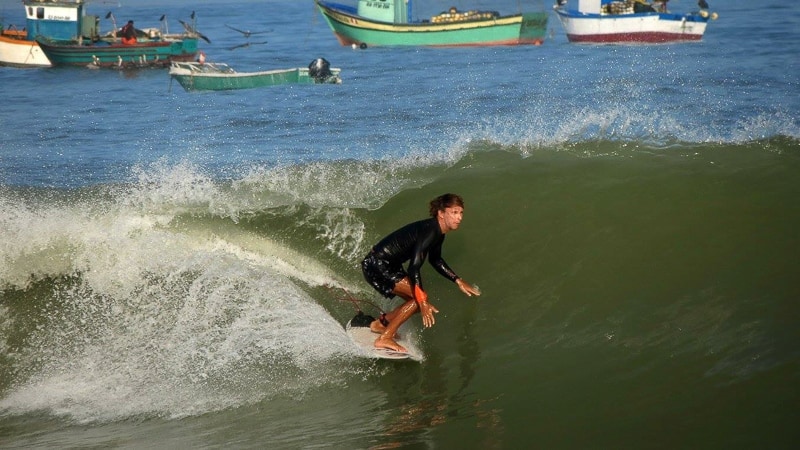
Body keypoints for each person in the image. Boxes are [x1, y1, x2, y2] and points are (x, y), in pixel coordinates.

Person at [361, 193, 481, 352]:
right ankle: (385, 338)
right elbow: (414, 267)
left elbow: (435, 260)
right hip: (378, 264)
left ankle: (380, 324)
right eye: (454, 212)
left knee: (417, 303)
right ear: (441, 213)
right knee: (419, 300)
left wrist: (457, 280)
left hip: (387, 264)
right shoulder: (431, 231)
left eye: (461, 213)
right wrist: (422, 300)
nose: (459, 218)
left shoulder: (438, 233)